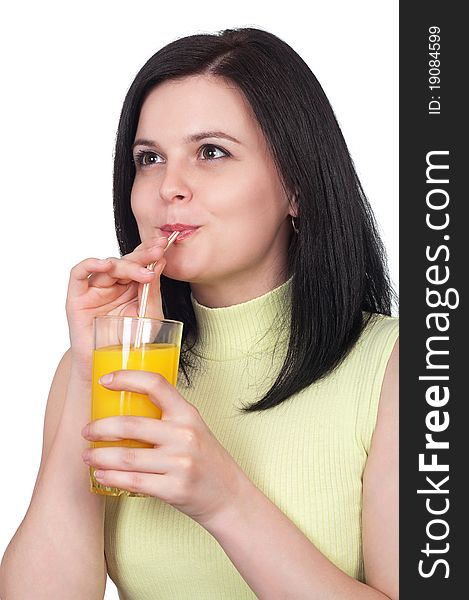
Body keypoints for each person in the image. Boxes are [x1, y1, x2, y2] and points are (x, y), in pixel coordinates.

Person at [0, 27, 398, 599]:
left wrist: (223, 497)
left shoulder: (401, 369)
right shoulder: (103, 364)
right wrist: (88, 377)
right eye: (149, 158)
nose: (169, 187)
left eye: (211, 152)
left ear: (296, 187)